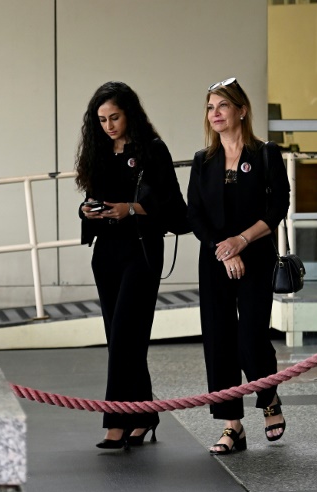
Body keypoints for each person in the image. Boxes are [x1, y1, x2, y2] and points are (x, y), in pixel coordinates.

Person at [76, 81, 185, 449]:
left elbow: (172, 207)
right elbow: (92, 197)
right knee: (123, 340)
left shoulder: (152, 149)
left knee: (125, 336)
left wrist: (132, 209)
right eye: (102, 119)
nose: (108, 126)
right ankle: (144, 415)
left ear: (130, 114)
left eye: (115, 117)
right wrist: (86, 211)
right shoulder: (99, 151)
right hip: (106, 252)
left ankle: (116, 422)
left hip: (141, 251)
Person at [187, 77, 290, 455]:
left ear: (241, 110)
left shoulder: (265, 154)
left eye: (223, 106)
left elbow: (278, 206)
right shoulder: (203, 160)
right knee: (218, 339)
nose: (214, 113)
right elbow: (195, 214)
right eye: (210, 107)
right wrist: (224, 250)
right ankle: (232, 426)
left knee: (250, 337)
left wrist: (241, 242)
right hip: (216, 258)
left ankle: (269, 399)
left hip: (256, 256)